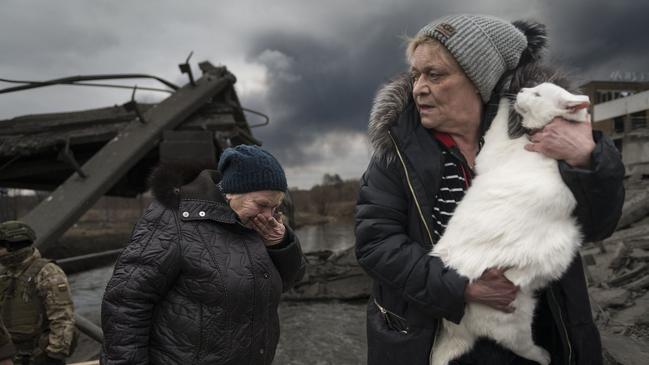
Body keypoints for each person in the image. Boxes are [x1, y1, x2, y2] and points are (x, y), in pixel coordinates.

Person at [355, 14, 625, 365]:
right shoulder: (397, 152)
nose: (418, 87)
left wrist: (586, 159)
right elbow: (375, 242)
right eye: (415, 74)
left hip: (543, 334)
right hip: (431, 341)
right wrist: (462, 288)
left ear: (479, 78)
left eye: (434, 74)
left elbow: (598, 226)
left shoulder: (540, 133)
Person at [100, 144, 306, 365]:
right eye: (262, 205)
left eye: (275, 207)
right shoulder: (173, 218)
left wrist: (281, 244)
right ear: (231, 191)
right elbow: (126, 302)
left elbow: (291, 281)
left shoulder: (262, 224)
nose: (268, 215)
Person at [0, 220, 76, 365]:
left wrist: (54, 354)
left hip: (38, 356)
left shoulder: (47, 272)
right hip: (9, 356)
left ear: (11, 246)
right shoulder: (5, 274)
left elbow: (62, 316)